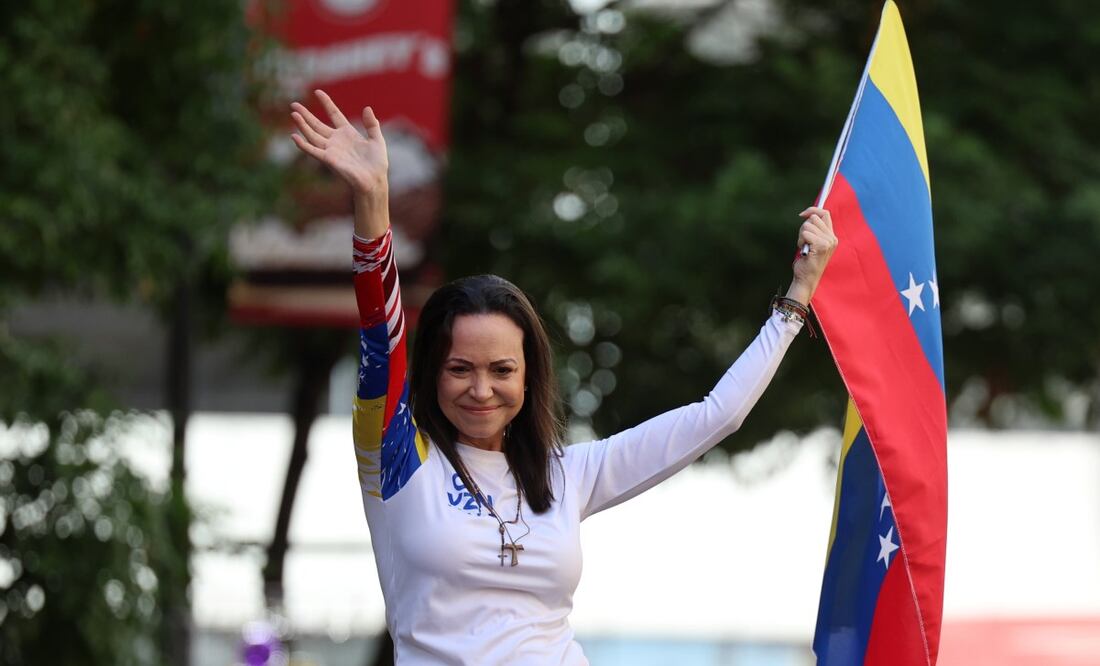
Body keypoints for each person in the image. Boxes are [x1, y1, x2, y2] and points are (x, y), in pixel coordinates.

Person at [290, 89, 837, 665]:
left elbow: (715, 416)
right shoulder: (397, 458)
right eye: (459, 369)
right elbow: (383, 334)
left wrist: (799, 295)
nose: (481, 389)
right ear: (430, 376)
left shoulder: (567, 474)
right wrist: (374, 200)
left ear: (529, 378)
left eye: (502, 370)